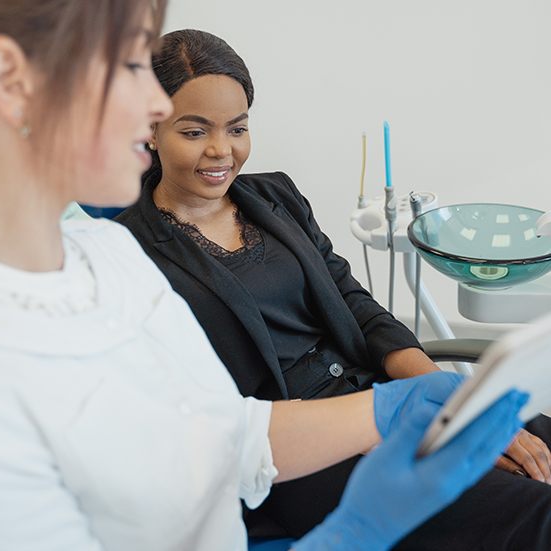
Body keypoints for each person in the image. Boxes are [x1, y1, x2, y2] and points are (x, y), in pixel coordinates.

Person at [0, 2, 530, 550]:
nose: (152, 106)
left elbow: (224, 434)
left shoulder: (106, 256)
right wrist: (354, 533)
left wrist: (395, 406)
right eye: (129, 66)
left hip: (338, 411)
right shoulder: (4, 369)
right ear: (8, 78)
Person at [115, 29, 551, 549]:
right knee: (535, 513)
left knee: (530, 444)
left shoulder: (276, 195)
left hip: (381, 395)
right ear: (150, 129)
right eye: (193, 132)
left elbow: (356, 305)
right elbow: (195, 415)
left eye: (237, 128)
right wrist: (379, 426)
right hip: (302, 455)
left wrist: (445, 404)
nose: (221, 150)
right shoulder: (125, 252)